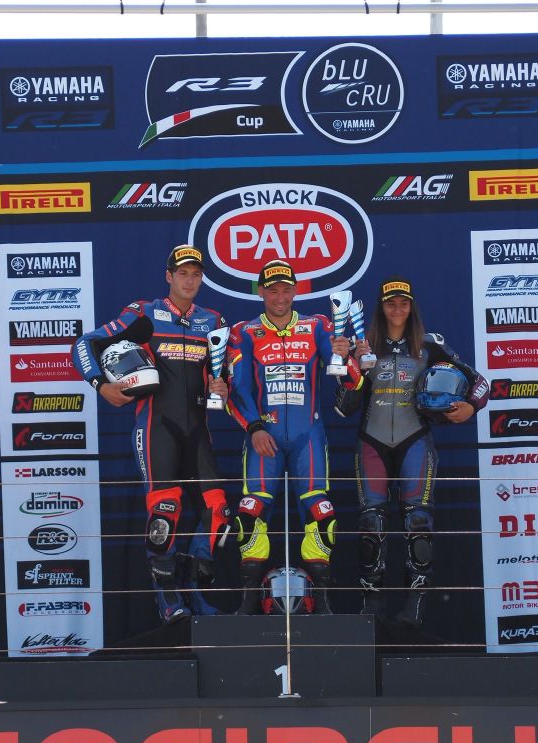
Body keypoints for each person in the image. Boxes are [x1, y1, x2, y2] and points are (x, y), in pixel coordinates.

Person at [72, 244, 232, 624]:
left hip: (198, 430)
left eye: (196, 274)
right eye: (183, 273)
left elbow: (222, 374)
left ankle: (195, 592)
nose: (189, 280)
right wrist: (100, 385)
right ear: (169, 276)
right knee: (165, 511)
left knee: (219, 513)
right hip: (155, 426)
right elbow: (84, 344)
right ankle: (168, 600)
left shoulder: (213, 321)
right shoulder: (144, 313)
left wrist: (222, 386)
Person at [334, 276, 489, 628]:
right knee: (370, 524)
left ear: (412, 307)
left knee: (418, 524)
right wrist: (348, 364)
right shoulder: (363, 344)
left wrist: (470, 407)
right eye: (391, 303)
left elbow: (480, 382)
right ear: (381, 307)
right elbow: (344, 406)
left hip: (415, 440)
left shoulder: (430, 344)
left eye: (403, 303)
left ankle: (414, 609)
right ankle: (371, 606)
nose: (397, 309)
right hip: (371, 442)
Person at [226, 259, 350, 615]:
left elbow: (343, 372)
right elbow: (238, 388)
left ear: (295, 291)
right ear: (261, 292)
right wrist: (254, 427)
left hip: (307, 435)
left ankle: (322, 602)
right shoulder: (244, 332)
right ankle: (249, 601)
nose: (280, 297)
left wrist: (346, 354)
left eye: (286, 290)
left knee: (321, 515)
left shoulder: (317, 325)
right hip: (263, 437)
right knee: (250, 514)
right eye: (272, 290)